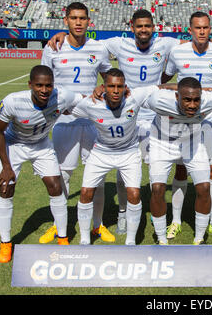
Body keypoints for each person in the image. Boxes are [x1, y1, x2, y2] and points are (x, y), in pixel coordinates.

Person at [47, 9, 212, 236]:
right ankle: (124, 213)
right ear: (132, 27)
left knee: (156, 172)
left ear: (154, 28)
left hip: (155, 118)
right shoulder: (117, 44)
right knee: (124, 171)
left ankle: (157, 215)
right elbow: (86, 42)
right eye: (139, 26)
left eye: (148, 26)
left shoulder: (165, 44)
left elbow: (195, 38)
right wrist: (63, 34)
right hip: (127, 114)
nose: (143, 30)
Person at [69, 68, 174, 245]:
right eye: (111, 86)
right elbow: (66, 107)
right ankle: (85, 240)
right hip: (101, 152)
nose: (115, 91)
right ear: (103, 87)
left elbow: (160, 87)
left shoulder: (135, 97)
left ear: (125, 87)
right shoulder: (91, 103)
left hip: (129, 152)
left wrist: (195, 89)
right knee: (86, 192)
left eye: (119, 86)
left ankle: (131, 241)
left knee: (134, 193)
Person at [0, 65, 84, 263]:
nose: (44, 90)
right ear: (30, 85)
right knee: (6, 188)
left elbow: (83, 99)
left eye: (48, 85)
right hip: (14, 144)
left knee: (56, 186)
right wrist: (7, 167)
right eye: (39, 85)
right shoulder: (12, 101)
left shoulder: (62, 96)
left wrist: (98, 92)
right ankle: (6, 244)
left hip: (41, 144)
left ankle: (62, 238)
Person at [40, 2, 113, 244]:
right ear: (66, 21)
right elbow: (43, 80)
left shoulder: (98, 48)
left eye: (82, 18)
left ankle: (97, 225)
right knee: (63, 175)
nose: (78, 22)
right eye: (74, 18)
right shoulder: (53, 48)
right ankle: (58, 225)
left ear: (88, 21)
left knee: (98, 176)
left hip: (93, 122)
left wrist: (103, 86)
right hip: (64, 121)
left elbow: (109, 77)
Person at [161, 11, 212, 240]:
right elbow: (165, 79)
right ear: (189, 30)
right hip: (184, 122)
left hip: (211, 121)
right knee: (181, 169)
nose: (202, 32)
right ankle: (177, 220)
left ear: (211, 29)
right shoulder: (177, 52)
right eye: (198, 28)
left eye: (206, 28)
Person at [147, 77, 212, 245]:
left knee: (204, 188)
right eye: (187, 99)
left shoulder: (209, 100)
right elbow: (137, 95)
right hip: (162, 142)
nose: (192, 105)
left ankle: (199, 239)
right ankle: (161, 240)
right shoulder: (158, 100)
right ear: (177, 97)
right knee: (157, 189)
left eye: (196, 100)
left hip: (192, 142)